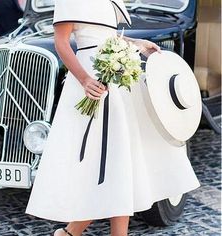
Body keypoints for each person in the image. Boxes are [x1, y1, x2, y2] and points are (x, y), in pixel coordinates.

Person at [25, 0, 201, 235]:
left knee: (122, 160)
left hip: (118, 83)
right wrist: (85, 80)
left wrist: (136, 44)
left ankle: (84, 233)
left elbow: (108, 37)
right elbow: (61, 43)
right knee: (94, 163)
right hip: (89, 80)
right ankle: (71, 231)